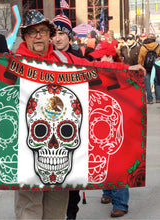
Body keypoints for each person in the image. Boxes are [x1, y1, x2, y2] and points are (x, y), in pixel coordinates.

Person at [14, 10, 145, 220]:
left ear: (49, 34)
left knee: (57, 209)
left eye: (42, 31)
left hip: (63, 151)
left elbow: (95, 69)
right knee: (29, 208)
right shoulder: (12, 63)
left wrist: (126, 69)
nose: (38, 36)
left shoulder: (62, 59)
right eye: (32, 32)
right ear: (25, 37)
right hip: (29, 150)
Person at [89, 41, 129, 218]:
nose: (98, 62)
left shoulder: (123, 72)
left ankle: (120, 202)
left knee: (118, 163)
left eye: (102, 57)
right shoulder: (100, 71)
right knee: (103, 157)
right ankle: (107, 192)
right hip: (99, 121)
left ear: (111, 56)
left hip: (119, 121)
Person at [52, 14, 82, 220]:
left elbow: (103, 72)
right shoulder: (42, 58)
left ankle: (71, 215)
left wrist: (127, 70)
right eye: (54, 34)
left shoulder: (80, 60)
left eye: (62, 33)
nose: (57, 38)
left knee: (72, 182)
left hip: (72, 127)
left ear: (70, 36)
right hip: (48, 125)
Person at [138, 33, 160, 104]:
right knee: (157, 82)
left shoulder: (143, 47)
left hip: (146, 67)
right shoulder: (158, 46)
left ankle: (150, 99)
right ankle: (158, 98)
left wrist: (140, 66)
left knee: (147, 83)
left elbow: (140, 58)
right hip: (156, 66)